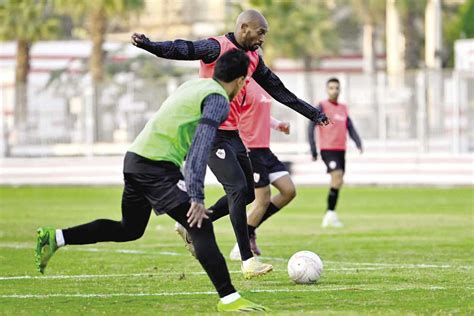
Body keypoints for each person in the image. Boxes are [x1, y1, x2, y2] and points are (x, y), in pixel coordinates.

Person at [35, 50, 268, 312]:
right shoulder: (217, 100)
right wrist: (197, 197)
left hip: (135, 159)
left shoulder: (193, 85)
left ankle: (56, 237)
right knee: (199, 225)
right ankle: (229, 299)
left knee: (130, 229)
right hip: (155, 167)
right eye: (245, 81)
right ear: (240, 80)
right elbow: (201, 148)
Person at [131, 9, 330, 268]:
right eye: (260, 33)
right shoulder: (215, 47)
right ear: (244, 28)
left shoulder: (253, 59)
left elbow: (279, 90)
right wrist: (150, 45)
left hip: (233, 135)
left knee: (247, 194)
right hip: (209, 131)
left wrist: (314, 114)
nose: (262, 40)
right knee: (236, 189)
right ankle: (248, 260)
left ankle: (189, 223)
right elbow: (183, 49)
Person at [228, 78, 296, 260]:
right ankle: (240, 246)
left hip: (264, 149)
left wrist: (278, 125)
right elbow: (235, 114)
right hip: (250, 149)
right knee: (262, 200)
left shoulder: (264, 85)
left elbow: (260, 113)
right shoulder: (240, 83)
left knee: (288, 191)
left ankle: (251, 229)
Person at [308, 78, 363, 228]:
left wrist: (358, 142)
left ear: (340, 90)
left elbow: (349, 126)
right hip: (327, 149)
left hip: (341, 149)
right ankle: (329, 214)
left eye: (337, 88)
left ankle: (330, 213)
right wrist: (313, 148)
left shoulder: (343, 108)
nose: (334, 90)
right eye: (331, 88)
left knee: (338, 181)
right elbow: (310, 126)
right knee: (337, 178)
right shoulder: (322, 106)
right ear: (327, 90)